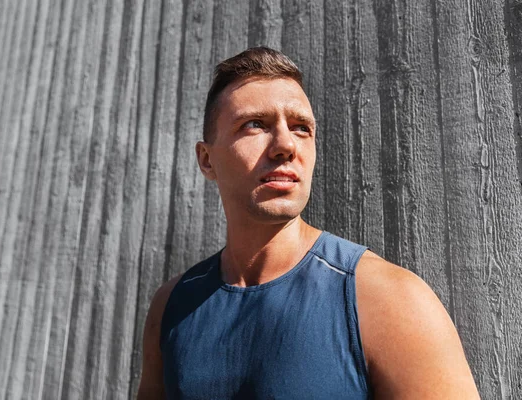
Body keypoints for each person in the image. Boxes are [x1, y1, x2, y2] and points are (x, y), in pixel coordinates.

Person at [137, 46, 479, 399]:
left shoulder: (389, 300)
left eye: (301, 128)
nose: (285, 145)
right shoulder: (171, 306)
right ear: (207, 160)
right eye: (255, 124)